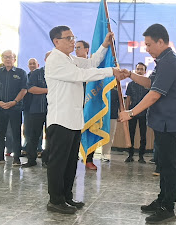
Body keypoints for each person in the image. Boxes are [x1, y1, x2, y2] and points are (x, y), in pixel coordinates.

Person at [45, 25, 125, 214]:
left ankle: (66, 196)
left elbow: (90, 64)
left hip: (73, 120)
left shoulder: (70, 58)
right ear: (57, 42)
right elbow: (80, 75)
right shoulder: (55, 59)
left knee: (70, 161)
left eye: (73, 37)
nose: (73, 41)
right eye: (68, 38)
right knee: (58, 162)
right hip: (60, 119)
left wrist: (104, 46)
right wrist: (110, 71)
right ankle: (55, 200)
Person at [119, 23, 176, 223]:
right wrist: (130, 75)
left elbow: (155, 94)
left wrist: (130, 112)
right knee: (163, 165)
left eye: (149, 44)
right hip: (162, 123)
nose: (146, 49)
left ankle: (168, 208)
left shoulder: (169, 62)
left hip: (169, 123)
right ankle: (162, 199)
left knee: (170, 167)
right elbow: (150, 83)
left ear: (161, 41)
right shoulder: (162, 61)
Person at [0, 50, 27, 166]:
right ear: (2, 59)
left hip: (15, 108)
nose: (7, 59)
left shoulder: (21, 73)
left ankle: (16, 158)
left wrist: (14, 102)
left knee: (16, 133)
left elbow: (24, 89)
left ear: (14, 59)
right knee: (0, 133)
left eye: (10, 57)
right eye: (5, 57)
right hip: (0, 107)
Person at [23, 53, 50, 167]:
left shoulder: (59, 73)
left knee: (50, 137)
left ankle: (47, 160)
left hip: (53, 110)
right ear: (45, 60)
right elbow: (31, 89)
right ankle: (31, 159)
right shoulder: (36, 73)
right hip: (37, 109)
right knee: (33, 136)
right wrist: (48, 90)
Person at [74, 40, 98, 170]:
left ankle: (89, 159)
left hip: (89, 103)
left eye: (79, 47)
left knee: (89, 130)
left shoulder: (92, 66)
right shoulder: (72, 64)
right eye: (75, 48)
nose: (76, 50)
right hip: (74, 103)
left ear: (87, 50)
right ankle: (73, 156)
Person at [125, 62, 149, 163]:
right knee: (131, 134)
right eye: (138, 69)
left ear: (145, 71)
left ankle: (141, 156)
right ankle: (130, 155)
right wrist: (126, 112)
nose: (139, 71)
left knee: (143, 135)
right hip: (132, 113)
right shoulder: (130, 84)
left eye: (141, 69)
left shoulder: (148, 84)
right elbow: (128, 99)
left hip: (144, 113)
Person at [22, 58, 41, 157]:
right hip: (28, 107)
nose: (32, 65)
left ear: (38, 65)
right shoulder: (25, 77)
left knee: (38, 131)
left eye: (34, 63)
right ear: (28, 66)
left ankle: (39, 149)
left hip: (39, 107)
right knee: (27, 130)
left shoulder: (42, 76)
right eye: (30, 64)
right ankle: (26, 148)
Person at [100, 87, 119, 162]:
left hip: (112, 116)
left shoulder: (116, 92)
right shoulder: (100, 90)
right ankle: (89, 155)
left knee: (110, 136)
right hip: (100, 116)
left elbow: (119, 104)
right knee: (96, 135)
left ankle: (106, 154)